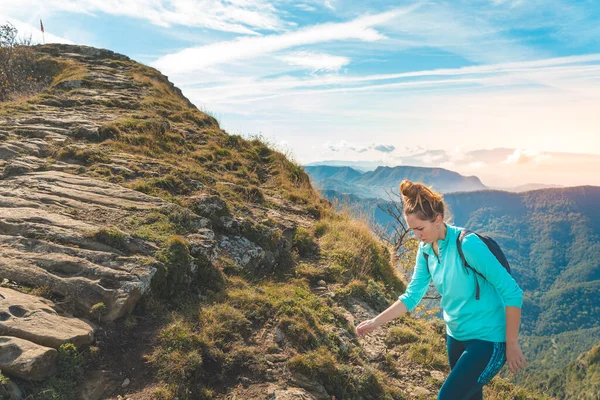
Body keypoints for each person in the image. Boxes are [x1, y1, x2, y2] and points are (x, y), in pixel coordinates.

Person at [356, 180, 527, 400]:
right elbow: (411, 296)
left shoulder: (467, 245)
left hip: (489, 340)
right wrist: (374, 322)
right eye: (412, 230)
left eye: (420, 229)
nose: (417, 236)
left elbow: (512, 292)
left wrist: (511, 344)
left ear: (438, 220)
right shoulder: (426, 250)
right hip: (455, 337)